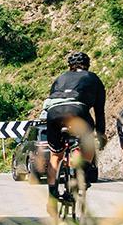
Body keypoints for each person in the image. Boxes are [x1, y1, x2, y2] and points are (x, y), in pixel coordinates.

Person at [45, 50, 106, 184]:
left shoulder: (60, 78)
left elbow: (50, 99)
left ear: (70, 66)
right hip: (78, 111)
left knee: (55, 156)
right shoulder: (93, 78)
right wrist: (100, 133)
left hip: (54, 112)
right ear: (87, 65)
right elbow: (99, 111)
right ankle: (82, 174)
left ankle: (52, 196)